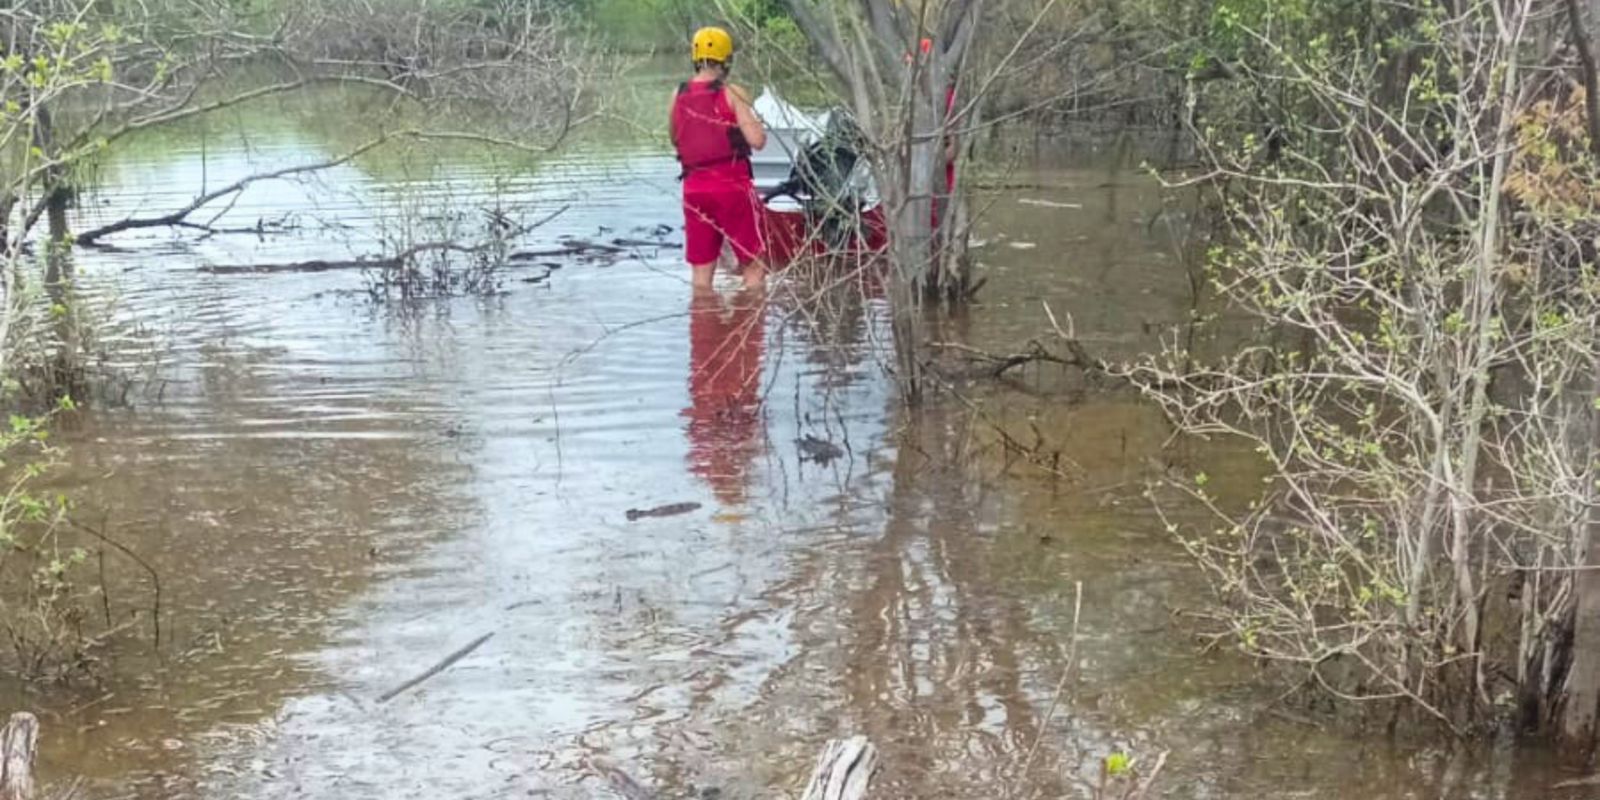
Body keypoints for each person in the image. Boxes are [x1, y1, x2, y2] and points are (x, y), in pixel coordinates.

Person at [670, 26, 769, 290]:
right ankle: (752, 327)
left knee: (701, 276)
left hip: (694, 191)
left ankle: (703, 329)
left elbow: (675, 139)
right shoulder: (733, 93)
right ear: (727, 59)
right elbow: (757, 141)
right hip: (732, 188)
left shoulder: (677, 95)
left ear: (695, 57)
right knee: (754, 267)